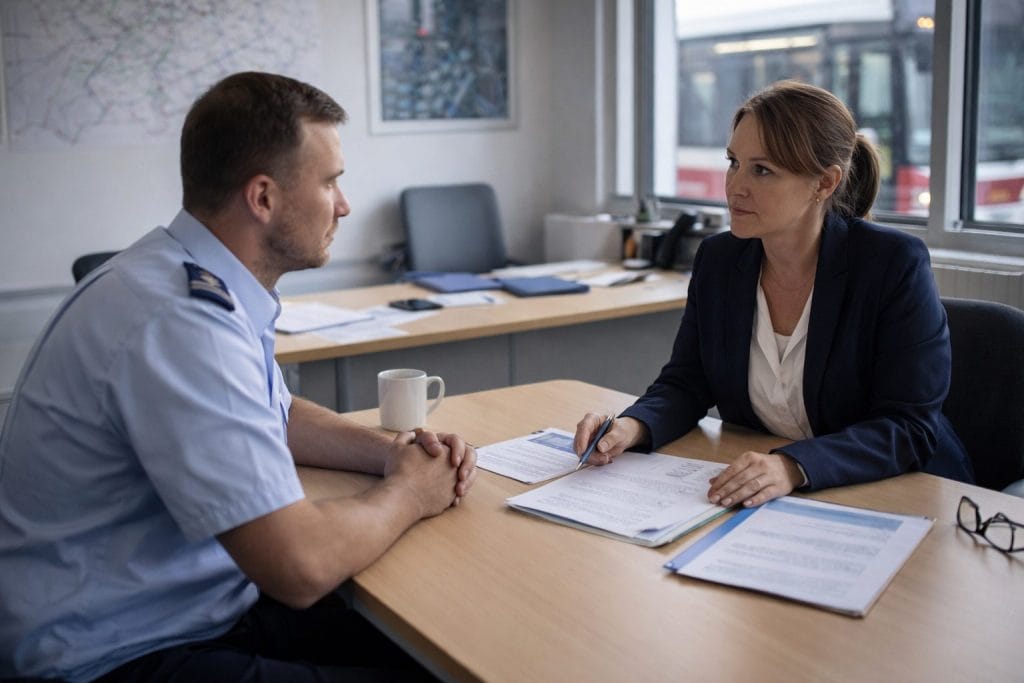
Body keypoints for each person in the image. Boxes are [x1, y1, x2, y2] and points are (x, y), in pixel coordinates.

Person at [0, 71, 477, 681]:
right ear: (263, 197)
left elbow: (273, 414)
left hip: (187, 609)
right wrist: (410, 493)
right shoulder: (178, 321)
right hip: (112, 654)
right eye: (330, 181)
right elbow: (298, 567)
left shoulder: (184, 275)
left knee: (433, 644)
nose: (345, 204)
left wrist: (395, 454)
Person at [574, 79, 973, 509]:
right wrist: (631, 427)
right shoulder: (719, 261)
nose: (734, 186)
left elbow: (908, 426)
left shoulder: (891, 263)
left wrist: (791, 466)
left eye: (761, 170)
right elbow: (686, 383)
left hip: (902, 499)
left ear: (824, 183)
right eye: (733, 163)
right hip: (777, 505)